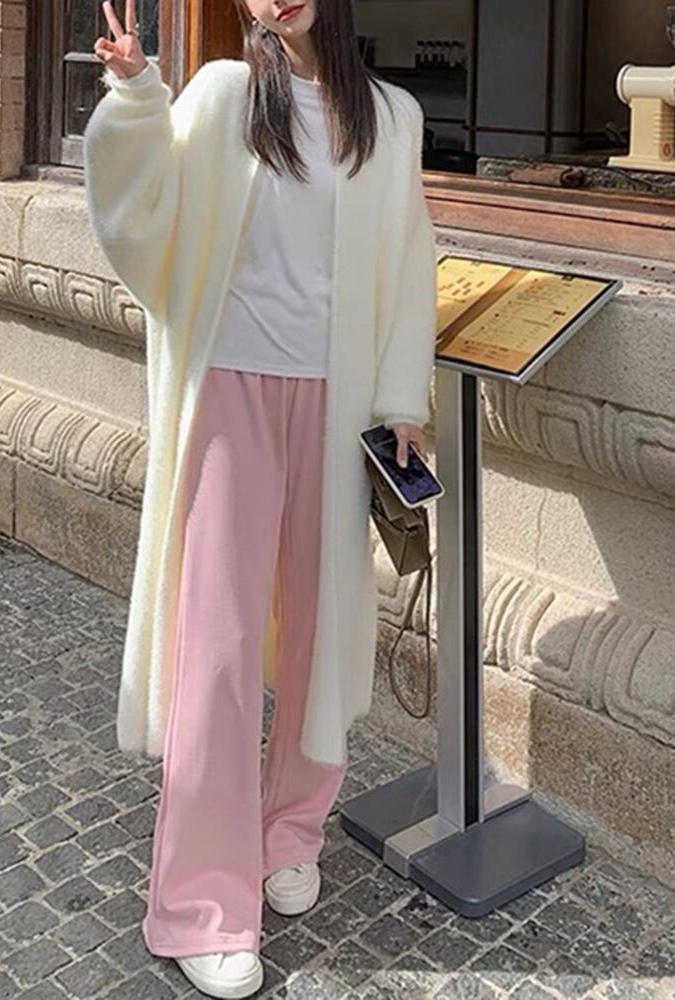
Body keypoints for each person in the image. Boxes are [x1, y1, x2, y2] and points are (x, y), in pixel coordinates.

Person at [84, 1, 438, 996]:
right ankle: (200, 899)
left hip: (338, 406)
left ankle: (291, 830)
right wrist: (136, 97)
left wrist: (402, 401)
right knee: (221, 646)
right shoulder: (226, 95)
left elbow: (411, 261)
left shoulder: (391, 119)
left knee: (321, 632)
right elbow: (145, 213)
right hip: (232, 393)